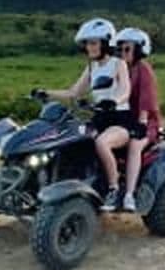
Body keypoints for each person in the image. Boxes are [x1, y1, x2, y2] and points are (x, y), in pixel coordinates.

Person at [41, 18, 133, 212]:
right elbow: (73, 92)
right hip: (98, 118)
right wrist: (47, 93)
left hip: (121, 121)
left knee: (101, 143)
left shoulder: (119, 64)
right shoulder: (92, 67)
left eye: (93, 43)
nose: (89, 48)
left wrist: (114, 101)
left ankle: (114, 190)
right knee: (71, 139)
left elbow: (125, 90)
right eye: (87, 43)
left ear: (105, 43)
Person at [113, 27, 162, 212]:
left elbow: (146, 102)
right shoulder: (119, 68)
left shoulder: (143, 70)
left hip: (146, 121)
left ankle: (129, 195)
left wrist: (140, 125)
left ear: (140, 50)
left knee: (134, 144)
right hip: (121, 118)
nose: (122, 53)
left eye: (127, 49)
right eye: (120, 49)